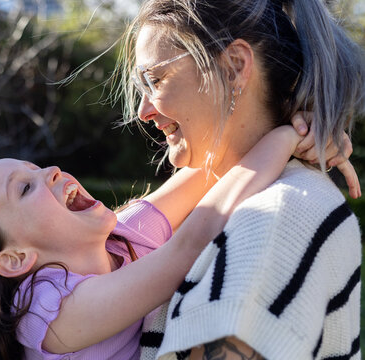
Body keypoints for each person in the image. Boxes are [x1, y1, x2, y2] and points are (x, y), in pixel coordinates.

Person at [0, 121, 329, 360]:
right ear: (16, 259)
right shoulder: (49, 312)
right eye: (24, 189)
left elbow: (210, 170)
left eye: (37, 168)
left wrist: (309, 125)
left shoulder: (122, 236)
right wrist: (285, 138)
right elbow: (187, 247)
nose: (53, 171)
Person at [114, 0, 365, 359]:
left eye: (155, 80)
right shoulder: (233, 196)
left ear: (234, 67)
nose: (143, 111)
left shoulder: (274, 219)